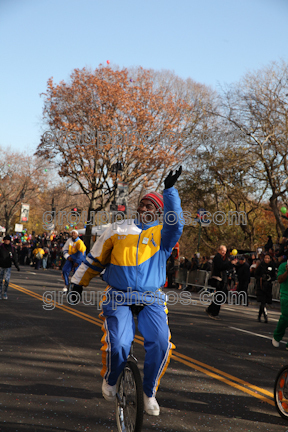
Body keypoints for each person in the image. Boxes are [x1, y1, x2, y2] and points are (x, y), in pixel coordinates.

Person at [70, 167, 183, 416]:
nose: (144, 209)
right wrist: (78, 284)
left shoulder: (164, 234)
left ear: (159, 212)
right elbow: (94, 259)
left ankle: (149, 392)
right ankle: (111, 379)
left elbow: (178, 222)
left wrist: (170, 190)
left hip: (151, 298)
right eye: (141, 205)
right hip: (119, 295)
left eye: (149, 206)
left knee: (161, 343)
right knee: (119, 343)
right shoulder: (117, 228)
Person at [205, 245, 237, 320]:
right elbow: (221, 266)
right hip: (218, 279)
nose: (224, 252)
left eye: (225, 251)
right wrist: (230, 263)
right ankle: (214, 312)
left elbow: (225, 267)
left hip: (222, 279)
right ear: (219, 250)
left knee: (221, 296)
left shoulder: (222, 258)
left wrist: (231, 265)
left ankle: (210, 309)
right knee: (220, 296)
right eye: (222, 251)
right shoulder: (217, 257)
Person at [255, 253, 276, 323]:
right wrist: (261, 278)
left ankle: (259, 316)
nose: (266, 259)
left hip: (268, 286)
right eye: (265, 258)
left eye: (268, 258)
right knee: (262, 301)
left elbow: (274, 276)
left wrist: (269, 279)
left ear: (270, 259)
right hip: (261, 286)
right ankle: (265, 317)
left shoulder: (272, 266)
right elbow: (256, 274)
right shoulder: (260, 266)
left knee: (264, 302)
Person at [272, 259, 288, 348]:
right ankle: (277, 336)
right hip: (286, 294)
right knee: (285, 317)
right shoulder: (283, 266)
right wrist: (287, 272)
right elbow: (279, 280)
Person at [0, 235, 20, 300]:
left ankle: (5, 292)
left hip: (8, 266)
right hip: (0, 266)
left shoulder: (12, 248)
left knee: (6, 280)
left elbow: (14, 258)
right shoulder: (1, 247)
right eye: (5, 240)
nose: (6, 241)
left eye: (8, 240)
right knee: (0, 280)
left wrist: (17, 266)